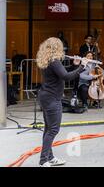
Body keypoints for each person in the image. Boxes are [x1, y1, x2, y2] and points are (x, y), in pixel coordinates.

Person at [36, 37, 88, 167]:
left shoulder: (49, 60)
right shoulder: (54, 61)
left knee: (48, 129)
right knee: (53, 129)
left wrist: (75, 65)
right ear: (56, 48)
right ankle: (43, 160)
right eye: (61, 47)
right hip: (52, 98)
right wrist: (82, 66)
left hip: (47, 96)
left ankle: (50, 157)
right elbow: (66, 76)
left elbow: (62, 72)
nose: (63, 50)